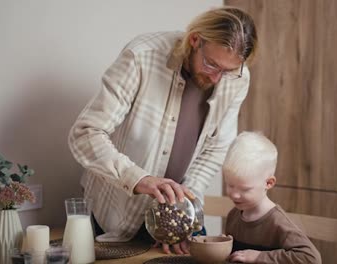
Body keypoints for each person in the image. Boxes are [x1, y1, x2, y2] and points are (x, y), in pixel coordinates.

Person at [67, 7, 257, 255]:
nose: (217, 79)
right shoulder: (142, 56)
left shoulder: (237, 79)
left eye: (228, 71)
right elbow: (85, 133)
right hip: (116, 211)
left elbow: (217, 146)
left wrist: (182, 207)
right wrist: (138, 178)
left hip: (177, 214)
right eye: (212, 65)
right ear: (195, 40)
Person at [223, 132, 322, 263]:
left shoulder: (278, 222)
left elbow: (311, 258)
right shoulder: (233, 216)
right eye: (230, 185)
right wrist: (224, 246)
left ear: (268, 183)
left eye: (245, 189)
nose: (234, 194)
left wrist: (259, 257)